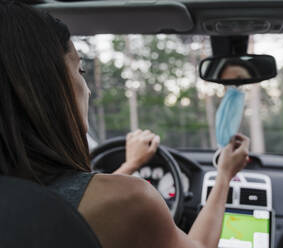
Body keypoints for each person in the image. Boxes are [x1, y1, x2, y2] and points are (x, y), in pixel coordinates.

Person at [0, 1, 250, 248]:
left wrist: (130, 165)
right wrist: (224, 175)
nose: (87, 89)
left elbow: (67, 203)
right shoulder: (131, 201)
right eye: (81, 71)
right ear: (49, 90)